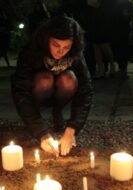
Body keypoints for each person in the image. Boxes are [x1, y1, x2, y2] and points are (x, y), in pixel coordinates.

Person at [11, 16, 93, 156]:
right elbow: (21, 91)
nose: (60, 52)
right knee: (45, 79)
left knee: (69, 78)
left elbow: (85, 91)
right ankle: (38, 115)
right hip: (39, 92)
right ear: (47, 38)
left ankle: (57, 111)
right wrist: (41, 132)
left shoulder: (76, 55)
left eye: (66, 47)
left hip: (61, 93)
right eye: (56, 45)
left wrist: (72, 129)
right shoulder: (31, 51)